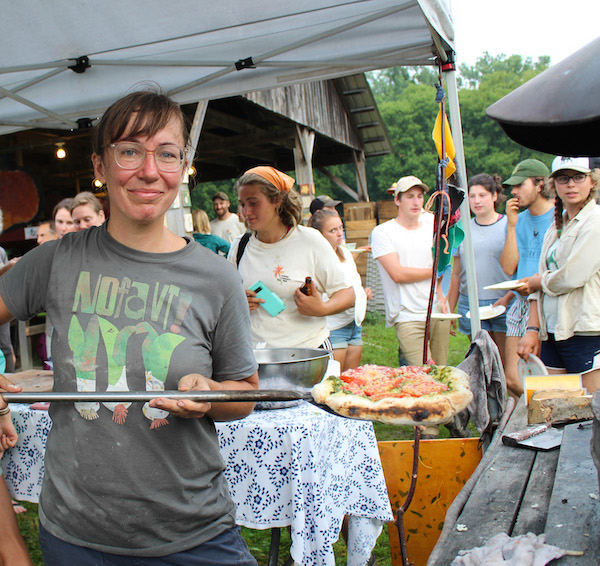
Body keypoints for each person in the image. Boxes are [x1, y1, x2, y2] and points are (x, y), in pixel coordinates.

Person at [0, 90, 259, 565]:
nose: (149, 170)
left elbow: (243, 392)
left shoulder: (216, 275)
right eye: (129, 151)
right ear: (99, 165)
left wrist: (210, 397)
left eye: (166, 153)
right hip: (78, 536)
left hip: (194, 533)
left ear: (183, 166)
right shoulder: (57, 260)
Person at [229, 166, 354, 349]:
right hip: (256, 356)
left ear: (277, 200)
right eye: (242, 204)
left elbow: (347, 294)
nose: (246, 211)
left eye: (253, 203)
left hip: (308, 354)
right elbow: (224, 299)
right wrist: (238, 302)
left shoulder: (309, 240)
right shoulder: (240, 246)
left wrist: (322, 309)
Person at [518, 156, 600, 393]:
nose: (571, 185)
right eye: (563, 179)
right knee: (555, 407)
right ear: (554, 185)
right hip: (552, 330)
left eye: (578, 177)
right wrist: (533, 329)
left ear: (592, 181)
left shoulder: (595, 222)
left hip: (584, 329)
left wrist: (537, 282)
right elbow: (541, 275)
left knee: (590, 412)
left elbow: (572, 276)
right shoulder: (557, 224)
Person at [371, 175, 451, 366]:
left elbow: (444, 263)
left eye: (420, 196)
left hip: (437, 312)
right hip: (407, 315)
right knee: (423, 373)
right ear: (397, 200)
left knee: (442, 372)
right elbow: (398, 274)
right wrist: (434, 271)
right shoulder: (383, 232)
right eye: (409, 196)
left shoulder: (432, 223)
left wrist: (442, 298)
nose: (416, 202)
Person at [500, 158, 554, 399]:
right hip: (520, 302)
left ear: (540, 184)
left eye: (520, 185)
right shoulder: (517, 220)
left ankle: (542, 420)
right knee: (512, 377)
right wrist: (511, 226)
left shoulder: (559, 216)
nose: (514, 191)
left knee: (541, 375)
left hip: (546, 299)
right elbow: (509, 268)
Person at [448, 174, 511, 362]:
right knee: (481, 360)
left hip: (503, 301)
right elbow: (456, 274)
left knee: (503, 361)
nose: (477, 201)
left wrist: (509, 298)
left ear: (494, 196)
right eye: (472, 196)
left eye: (482, 195)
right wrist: (452, 310)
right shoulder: (462, 228)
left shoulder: (509, 224)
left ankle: (507, 392)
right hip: (471, 302)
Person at [309, 208, 372, 370]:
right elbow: (318, 298)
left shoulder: (346, 253)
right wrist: (349, 300)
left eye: (341, 228)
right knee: (334, 379)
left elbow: (352, 283)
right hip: (333, 328)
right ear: (319, 235)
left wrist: (362, 294)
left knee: (351, 378)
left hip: (354, 324)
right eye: (332, 230)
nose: (339, 233)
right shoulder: (315, 259)